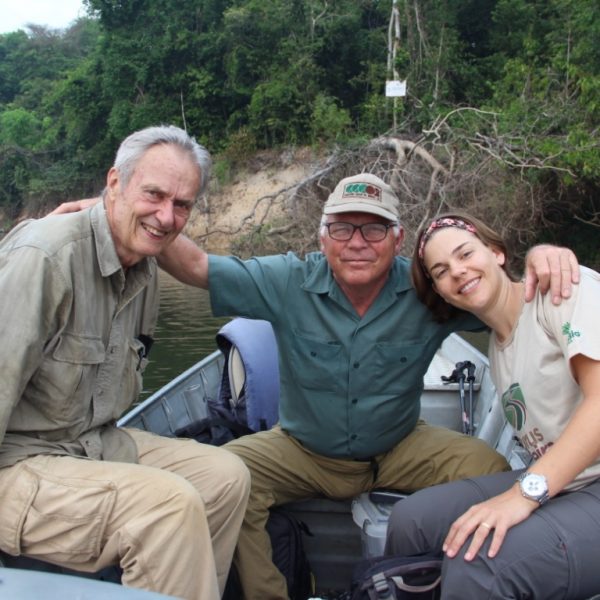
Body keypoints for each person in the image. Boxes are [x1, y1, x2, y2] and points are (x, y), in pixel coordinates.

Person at [150, 172, 580, 600]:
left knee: (493, 470)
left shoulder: (431, 289)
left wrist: (545, 257)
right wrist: (140, 219)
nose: (357, 243)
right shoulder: (286, 280)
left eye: (374, 229)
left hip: (400, 447)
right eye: (342, 228)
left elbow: (509, 298)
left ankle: (441, 579)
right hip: (300, 450)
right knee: (224, 477)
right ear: (323, 238)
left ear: (397, 239)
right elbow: (196, 266)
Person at [0, 125, 250, 600]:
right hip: (15, 464)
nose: (167, 216)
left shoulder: (145, 269)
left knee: (226, 477)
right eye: (154, 194)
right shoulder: (45, 257)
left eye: (182, 205)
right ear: (114, 183)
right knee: (168, 506)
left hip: (90, 442)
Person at [385, 212, 600, 599]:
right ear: (441, 292)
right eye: (441, 271)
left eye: (465, 253)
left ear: (497, 252)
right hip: (567, 482)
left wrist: (522, 496)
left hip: (589, 483)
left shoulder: (561, 289)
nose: (458, 271)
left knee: (478, 561)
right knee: (411, 521)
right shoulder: (499, 348)